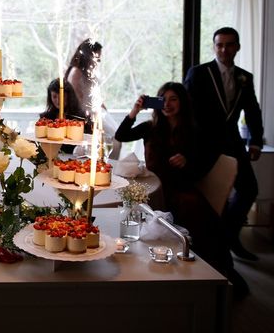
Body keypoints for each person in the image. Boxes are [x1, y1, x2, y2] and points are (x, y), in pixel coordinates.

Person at [115, 82, 248, 296]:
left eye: (173, 99)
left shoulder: (193, 131)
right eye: (163, 99)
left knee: (200, 214)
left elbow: (200, 166)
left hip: (181, 186)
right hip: (156, 187)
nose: (167, 104)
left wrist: (187, 161)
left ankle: (218, 272)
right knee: (193, 209)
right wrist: (134, 111)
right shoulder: (150, 127)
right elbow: (121, 136)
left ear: (182, 102)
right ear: (157, 103)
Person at [184, 27, 263, 262]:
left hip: (233, 143)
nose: (224, 49)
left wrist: (256, 141)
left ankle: (230, 237)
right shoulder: (199, 73)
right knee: (203, 193)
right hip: (203, 145)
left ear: (237, 47)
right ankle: (212, 244)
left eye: (229, 45)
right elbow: (188, 109)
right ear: (214, 47)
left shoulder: (244, 77)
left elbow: (252, 111)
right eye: (219, 45)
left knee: (249, 189)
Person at [63, 39, 103, 133]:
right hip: (82, 118)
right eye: (96, 58)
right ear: (88, 56)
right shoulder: (76, 73)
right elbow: (78, 101)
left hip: (94, 113)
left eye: (99, 59)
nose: (97, 62)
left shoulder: (88, 73)